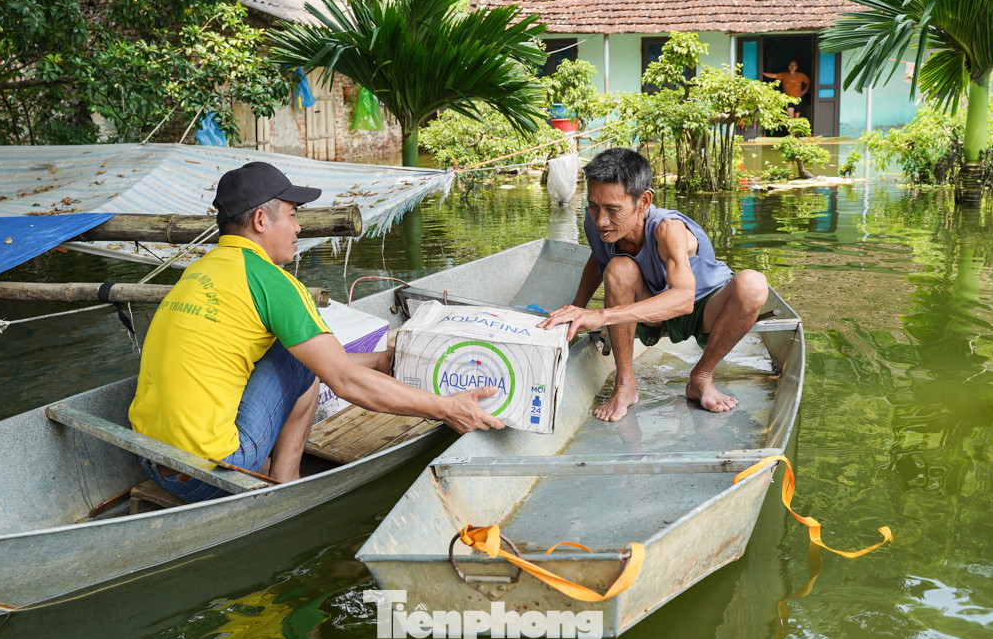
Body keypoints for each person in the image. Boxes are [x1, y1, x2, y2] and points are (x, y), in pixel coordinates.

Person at [129, 161, 504, 502]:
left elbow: (320, 362)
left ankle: (270, 469)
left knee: (295, 353)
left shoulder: (197, 271)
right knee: (302, 362)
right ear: (260, 220)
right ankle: (286, 484)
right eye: (292, 215)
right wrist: (447, 407)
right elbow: (343, 381)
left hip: (149, 459)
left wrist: (377, 361)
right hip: (209, 476)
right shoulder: (273, 282)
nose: (298, 227)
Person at [536, 148, 768, 420]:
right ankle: (625, 384)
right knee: (618, 268)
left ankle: (702, 376)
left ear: (644, 201)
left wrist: (600, 316)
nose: (601, 219)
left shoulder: (668, 230)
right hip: (652, 311)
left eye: (613, 209)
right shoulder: (596, 221)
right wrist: (577, 308)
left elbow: (683, 301)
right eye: (593, 205)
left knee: (753, 284)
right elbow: (598, 259)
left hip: (703, 308)